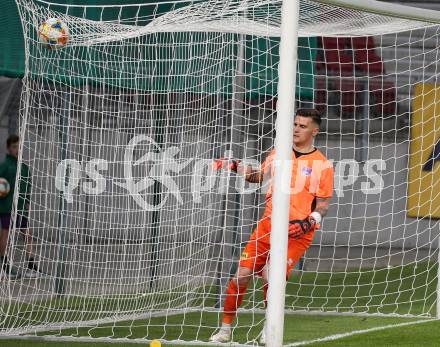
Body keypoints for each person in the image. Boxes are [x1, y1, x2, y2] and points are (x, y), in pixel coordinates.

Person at [210, 109, 334, 344]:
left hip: (297, 232)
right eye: (295, 124)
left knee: (271, 276)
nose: (296, 129)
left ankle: (270, 327)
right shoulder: (278, 153)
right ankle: (225, 330)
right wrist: (234, 165)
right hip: (268, 225)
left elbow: (324, 205)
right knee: (242, 275)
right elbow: (258, 176)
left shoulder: (323, 165)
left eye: (303, 126)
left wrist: (309, 221)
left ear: (314, 131)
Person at [0, 134, 40, 278]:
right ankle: (4, 266)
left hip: (21, 207)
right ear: (8, 149)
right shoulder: (5, 166)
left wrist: (27, 203)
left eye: (19, 146)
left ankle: (31, 266)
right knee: (7, 235)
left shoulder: (24, 168)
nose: (17, 149)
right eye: (14, 147)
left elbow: (27, 187)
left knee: (28, 235)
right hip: (7, 208)